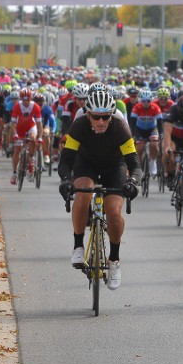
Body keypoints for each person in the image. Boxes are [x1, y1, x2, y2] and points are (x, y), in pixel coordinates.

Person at [57, 91, 141, 291]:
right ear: (88, 115)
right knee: (83, 191)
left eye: (106, 117)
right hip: (87, 164)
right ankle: (78, 246)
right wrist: (66, 180)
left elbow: (134, 164)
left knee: (113, 212)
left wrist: (133, 181)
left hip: (114, 167)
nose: (101, 121)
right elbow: (66, 160)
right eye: (96, 117)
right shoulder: (78, 127)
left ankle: (114, 260)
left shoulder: (120, 128)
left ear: (112, 115)